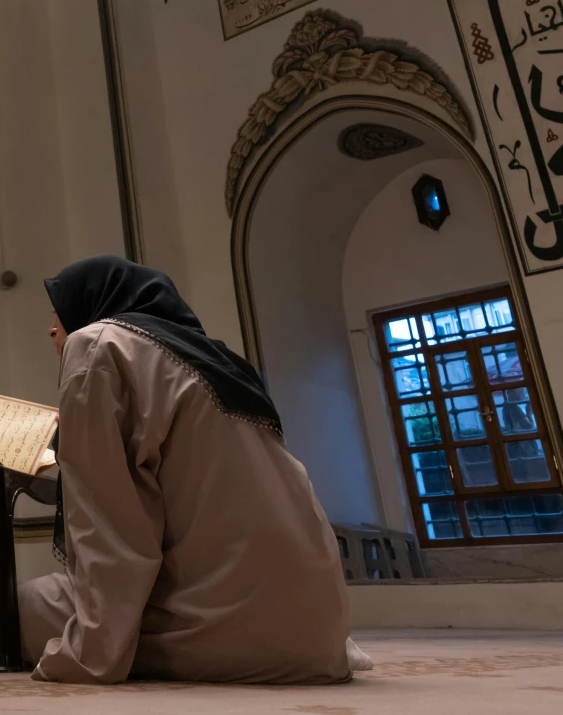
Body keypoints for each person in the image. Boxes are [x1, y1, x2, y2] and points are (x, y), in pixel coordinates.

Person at [20, 256, 363, 685]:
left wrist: (89, 653)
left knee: (20, 607)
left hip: (232, 623)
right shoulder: (214, 361)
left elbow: (112, 534)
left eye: (60, 312)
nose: (52, 329)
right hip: (320, 633)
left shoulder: (97, 344)